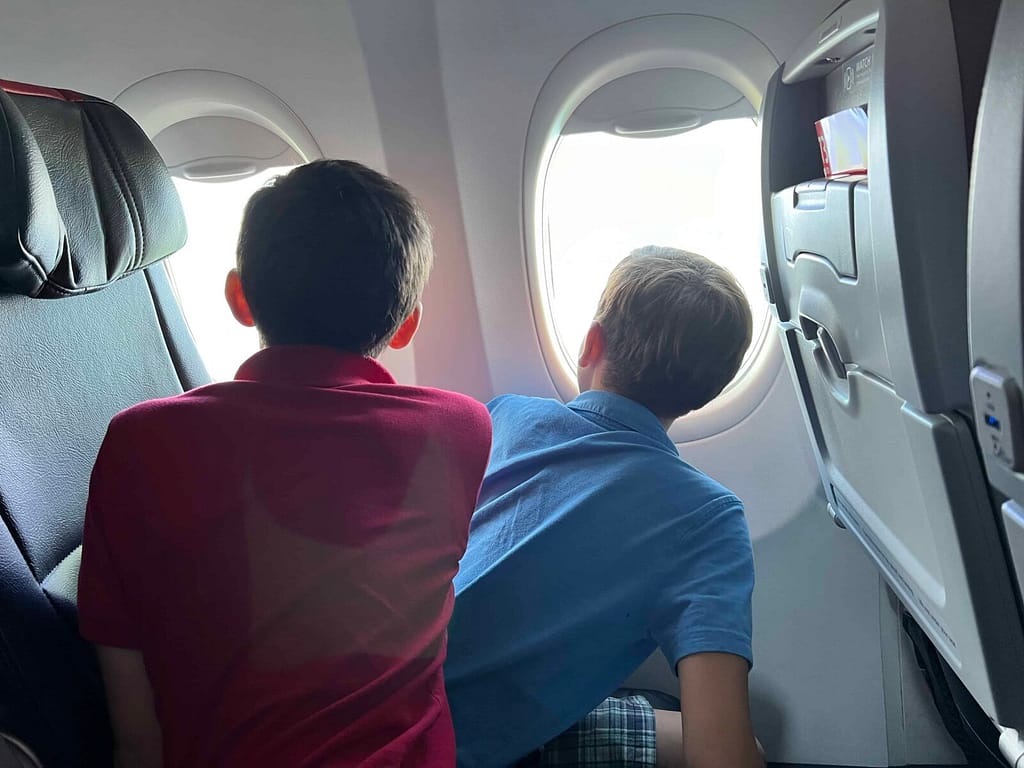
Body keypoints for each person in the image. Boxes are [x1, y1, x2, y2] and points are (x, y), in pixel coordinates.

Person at [77, 160, 492, 768]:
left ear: (238, 298)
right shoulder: (460, 428)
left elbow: (134, 717)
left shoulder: (138, 439)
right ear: (407, 326)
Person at [444, 246, 763, 768]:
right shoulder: (710, 520)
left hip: (386, 700)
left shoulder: (505, 416)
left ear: (591, 343)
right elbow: (722, 755)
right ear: (710, 392)